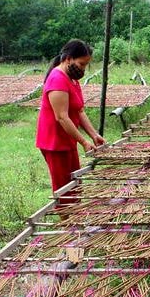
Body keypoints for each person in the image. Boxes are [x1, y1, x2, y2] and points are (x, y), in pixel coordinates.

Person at [36, 39, 105, 195]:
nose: (83, 69)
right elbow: (62, 117)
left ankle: (72, 217)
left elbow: (79, 111)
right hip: (55, 142)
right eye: (81, 64)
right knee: (64, 190)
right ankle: (65, 218)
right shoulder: (57, 79)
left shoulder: (72, 79)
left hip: (67, 140)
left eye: (85, 65)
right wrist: (83, 141)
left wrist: (94, 135)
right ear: (68, 59)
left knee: (74, 186)